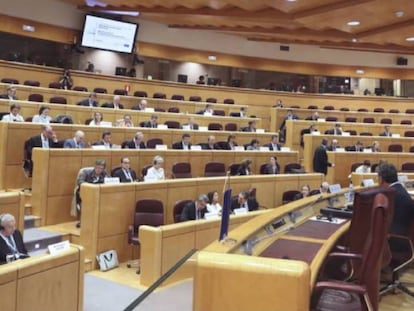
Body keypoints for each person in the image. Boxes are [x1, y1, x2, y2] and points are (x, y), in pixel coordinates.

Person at [377, 163, 414, 239]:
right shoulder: (400, 189)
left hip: (395, 238)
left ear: (381, 179)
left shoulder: (391, 194)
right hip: (404, 236)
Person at [75, 159, 109, 227]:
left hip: (99, 195)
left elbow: (110, 181)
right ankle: (84, 221)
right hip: (86, 194)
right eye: (97, 167)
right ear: (94, 167)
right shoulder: (86, 172)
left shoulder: (104, 173)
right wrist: (91, 187)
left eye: (101, 168)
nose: (99, 170)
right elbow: (80, 182)